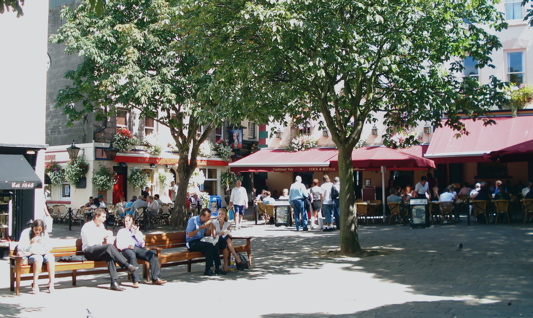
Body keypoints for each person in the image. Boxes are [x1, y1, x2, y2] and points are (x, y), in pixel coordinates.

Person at [80, 208, 138, 291]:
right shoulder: (87, 226)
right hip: (89, 250)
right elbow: (91, 242)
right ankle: (126, 265)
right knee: (109, 247)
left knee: (110, 256)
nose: (105, 219)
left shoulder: (101, 226)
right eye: (103, 217)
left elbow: (105, 237)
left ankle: (114, 283)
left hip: (98, 250)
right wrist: (103, 235)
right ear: (97, 216)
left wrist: (106, 235)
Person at [115, 214, 166, 287]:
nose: (127, 222)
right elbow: (119, 245)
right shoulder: (121, 231)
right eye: (126, 221)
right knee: (132, 256)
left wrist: (136, 234)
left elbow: (142, 244)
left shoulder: (136, 231)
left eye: (129, 221)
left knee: (152, 256)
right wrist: (128, 246)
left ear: (133, 222)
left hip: (137, 248)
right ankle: (135, 281)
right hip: (126, 249)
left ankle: (156, 278)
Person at [17, 219, 55, 294]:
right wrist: (30, 243)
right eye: (36, 229)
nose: (38, 232)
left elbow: (49, 246)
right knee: (38, 258)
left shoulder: (44, 233)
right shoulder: (26, 232)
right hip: (30, 255)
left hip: (42, 252)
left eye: (40, 230)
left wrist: (43, 245)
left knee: (50, 257)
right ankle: (35, 283)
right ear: (32, 227)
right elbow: (21, 248)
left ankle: (51, 283)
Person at [185, 208, 225, 276]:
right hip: (192, 242)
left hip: (201, 240)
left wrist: (210, 228)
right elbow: (189, 235)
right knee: (209, 246)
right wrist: (200, 228)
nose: (209, 218)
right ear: (202, 216)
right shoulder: (193, 220)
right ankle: (208, 269)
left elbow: (207, 235)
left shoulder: (206, 222)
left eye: (210, 216)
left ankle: (217, 267)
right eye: (208, 217)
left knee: (214, 244)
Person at [211, 208, 244, 272]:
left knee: (226, 244)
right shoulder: (214, 223)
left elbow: (229, 233)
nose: (220, 215)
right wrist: (222, 233)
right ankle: (237, 258)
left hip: (223, 241)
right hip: (215, 241)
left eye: (222, 214)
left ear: (225, 216)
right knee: (227, 239)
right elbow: (214, 235)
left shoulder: (227, 224)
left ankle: (225, 265)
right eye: (219, 214)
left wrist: (227, 233)